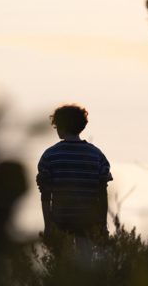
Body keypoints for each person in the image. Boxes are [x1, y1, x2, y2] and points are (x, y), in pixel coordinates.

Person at [36, 104, 112, 248]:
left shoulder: (50, 155)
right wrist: (103, 224)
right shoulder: (96, 155)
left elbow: (45, 193)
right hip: (89, 222)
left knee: (62, 266)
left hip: (60, 222)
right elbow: (103, 191)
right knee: (85, 265)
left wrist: (48, 226)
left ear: (62, 127)